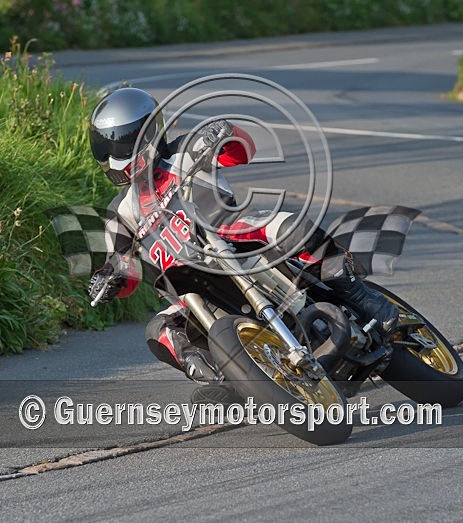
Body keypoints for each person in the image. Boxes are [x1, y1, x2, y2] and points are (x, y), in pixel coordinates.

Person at [86, 87, 397, 401]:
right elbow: (122, 266)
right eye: (104, 147)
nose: (112, 156)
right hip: (190, 288)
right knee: (159, 331)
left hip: (235, 238)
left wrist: (222, 133)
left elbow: (242, 149)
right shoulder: (121, 211)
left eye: (119, 143)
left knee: (290, 226)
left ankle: (357, 293)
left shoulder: (184, 151)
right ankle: (232, 380)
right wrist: (107, 279)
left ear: (146, 133)